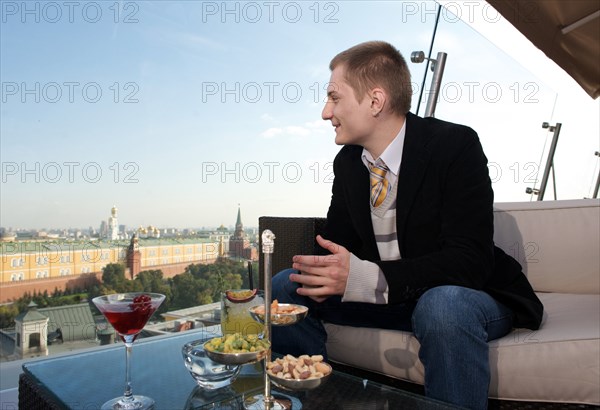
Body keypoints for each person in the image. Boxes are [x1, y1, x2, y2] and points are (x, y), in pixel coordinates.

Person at [270, 41, 544, 410]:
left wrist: (369, 279)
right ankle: (320, 400)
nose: (325, 112)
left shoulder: (454, 145)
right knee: (285, 285)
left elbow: (469, 261)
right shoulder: (349, 163)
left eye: (334, 98)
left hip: (463, 297)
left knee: (441, 305)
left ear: (375, 101)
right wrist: (325, 272)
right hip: (394, 300)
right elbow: (339, 247)